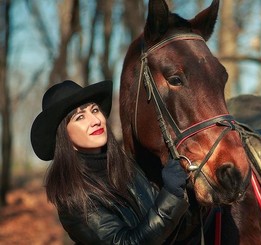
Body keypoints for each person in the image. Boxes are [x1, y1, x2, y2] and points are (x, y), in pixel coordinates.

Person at [30, 80, 192, 244]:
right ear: (64, 136)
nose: (95, 120)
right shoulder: (73, 198)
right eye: (80, 117)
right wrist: (171, 195)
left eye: (94, 110)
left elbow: (174, 230)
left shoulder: (126, 166)